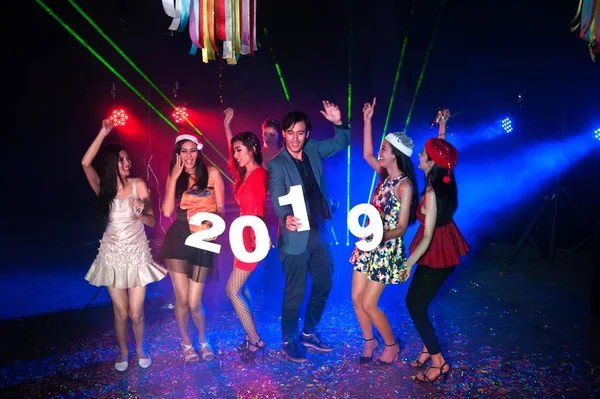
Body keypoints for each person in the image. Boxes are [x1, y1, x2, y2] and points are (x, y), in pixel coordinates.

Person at [268, 100, 351, 363]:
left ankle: (308, 332)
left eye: (300, 133)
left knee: (324, 284)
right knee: (295, 291)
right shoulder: (277, 164)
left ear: (307, 134)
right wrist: (285, 216)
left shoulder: (313, 149)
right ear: (283, 133)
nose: (295, 138)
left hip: (320, 232)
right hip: (294, 235)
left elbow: (342, 142)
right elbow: (276, 195)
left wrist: (339, 123)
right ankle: (288, 339)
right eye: (290, 133)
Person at [82, 119, 167, 371]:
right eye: (121, 159)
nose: (127, 162)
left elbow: (152, 221)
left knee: (136, 312)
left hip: (137, 255)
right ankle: (123, 352)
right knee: (120, 313)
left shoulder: (138, 184)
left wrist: (141, 212)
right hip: (112, 256)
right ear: (111, 163)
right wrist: (103, 132)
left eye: (128, 159)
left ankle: (141, 349)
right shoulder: (103, 189)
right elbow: (85, 163)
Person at [349, 98, 418, 366]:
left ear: (396, 155)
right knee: (355, 298)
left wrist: (379, 235)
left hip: (386, 248)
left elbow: (401, 227)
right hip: (368, 244)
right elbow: (366, 154)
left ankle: (392, 345)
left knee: (369, 303)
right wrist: (367, 120)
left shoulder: (405, 186)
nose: (380, 152)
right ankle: (370, 341)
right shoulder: (384, 175)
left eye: (384, 149)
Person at [404, 110, 469, 383]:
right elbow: (444, 153)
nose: (419, 156)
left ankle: (439, 362)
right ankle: (426, 349)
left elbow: (428, 236)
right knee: (419, 303)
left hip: (438, 251)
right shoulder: (444, 176)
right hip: (442, 249)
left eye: (422, 154)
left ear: (431, 164)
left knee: (415, 305)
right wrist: (442, 126)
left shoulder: (432, 193)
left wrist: (408, 263)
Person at [161, 130, 225, 362]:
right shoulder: (174, 176)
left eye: (192, 150)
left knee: (195, 302)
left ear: (199, 151)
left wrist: (212, 227)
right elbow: (167, 211)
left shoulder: (212, 173)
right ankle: (186, 344)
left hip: (203, 239)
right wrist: (173, 176)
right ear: (177, 154)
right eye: (183, 151)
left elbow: (221, 209)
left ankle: (203, 341)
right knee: (182, 299)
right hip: (178, 238)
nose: (188, 156)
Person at [225, 131, 270, 362]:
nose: (235, 154)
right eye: (234, 150)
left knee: (232, 290)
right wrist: (227, 126)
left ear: (252, 149)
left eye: (239, 150)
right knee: (242, 290)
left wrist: (257, 240)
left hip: (252, 239)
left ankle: (256, 341)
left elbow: (260, 210)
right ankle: (249, 336)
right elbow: (234, 155)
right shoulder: (245, 174)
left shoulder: (259, 173)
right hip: (243, 236)